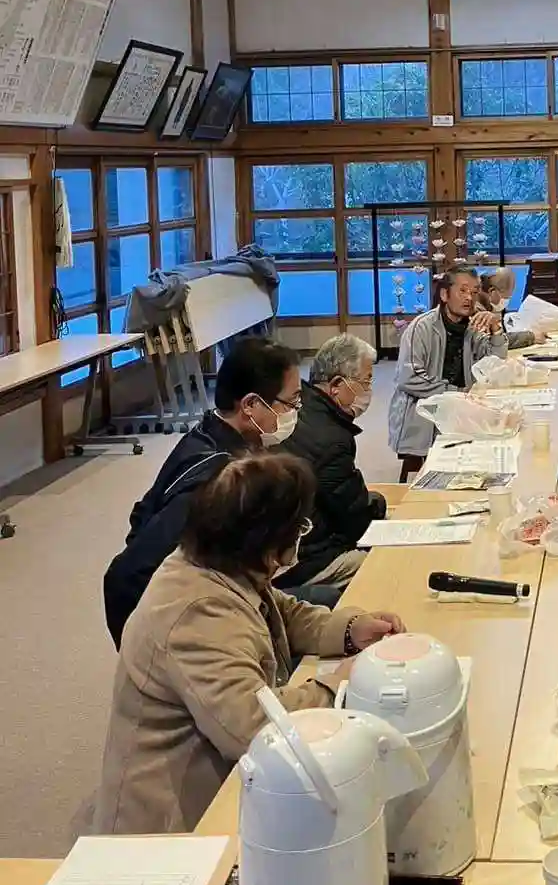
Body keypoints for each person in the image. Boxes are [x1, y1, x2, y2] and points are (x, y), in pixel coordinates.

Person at [95, 451, 405, 835]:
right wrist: (335, 686)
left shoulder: (219, 562)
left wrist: (350, 629)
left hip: (225, 784)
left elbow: (280, 613)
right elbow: (254, 728)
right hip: (175, 830)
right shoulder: (195, 612)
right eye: (298, 528)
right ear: (265, 542)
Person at [103, 337, 308, 649]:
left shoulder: (208, 434)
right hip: (190, 618)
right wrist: (149, 644)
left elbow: (142, 514)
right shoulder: (218, 479)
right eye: (290, 404)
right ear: (250, 405)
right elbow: (129, 574)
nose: (294, 413)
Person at [276, 334, 387, 597]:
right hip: (302, 558)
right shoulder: (331, 439)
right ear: (337, 385)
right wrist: (377, 508)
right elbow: (354, 521)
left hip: (288, 538)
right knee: (384, 566)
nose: (369, 390)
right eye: (366, 381)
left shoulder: (296, 407)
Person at [388, 264, 509, 479]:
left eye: (474, 292)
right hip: (425, 411)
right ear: (444, 294)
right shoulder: (422, 327)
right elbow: (409, 377)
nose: (469, 298)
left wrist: (496, 329)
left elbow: (495, 366)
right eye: (462, 291)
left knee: (504, 437)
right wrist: (456, 392)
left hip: (463, 407)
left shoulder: (473, 325)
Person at [480, 266, 547, 350]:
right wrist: (531, 337)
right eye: (505, 298)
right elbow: (495, 341)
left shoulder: (484, 308)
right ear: (492, 291)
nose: (505, 302)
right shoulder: (478, 312)